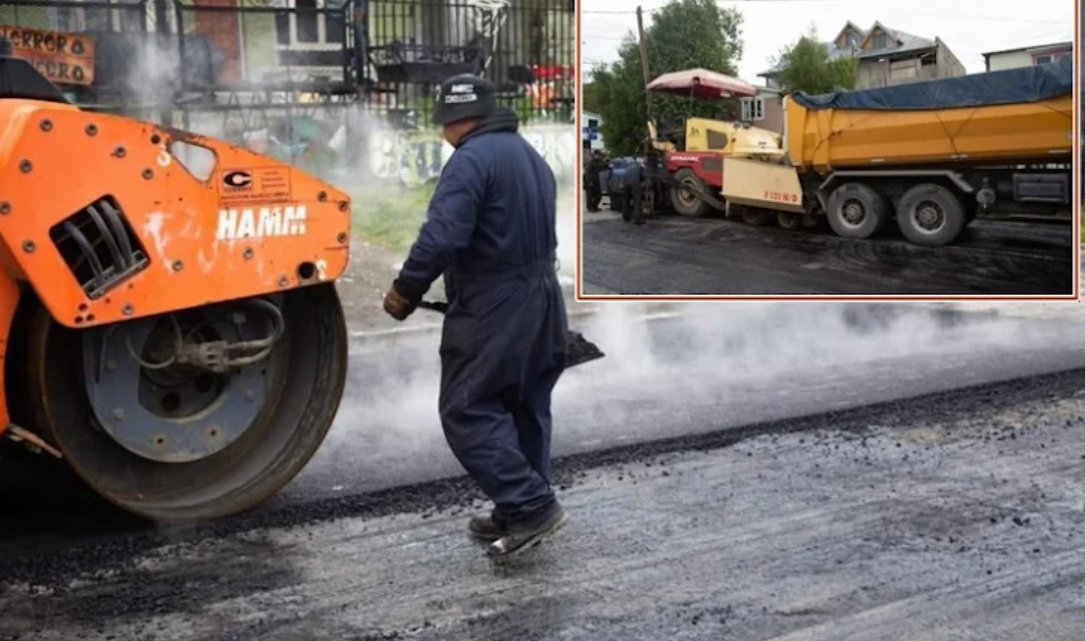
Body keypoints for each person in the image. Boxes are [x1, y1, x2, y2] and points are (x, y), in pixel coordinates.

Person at [382, 74, 570, 558]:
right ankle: (517, 506)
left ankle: (530, 505)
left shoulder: (470, 161)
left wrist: (406, 290)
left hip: (494, 304)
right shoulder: (530, 157)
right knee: (523, 403)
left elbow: (442, 235)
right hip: (544, 296)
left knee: (467, 408)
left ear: (450, 118)